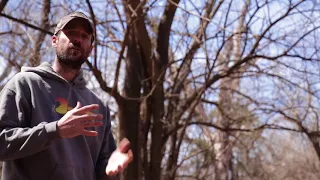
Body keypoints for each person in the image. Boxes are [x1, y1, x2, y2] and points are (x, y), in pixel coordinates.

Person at [0, 12, 133, 180]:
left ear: (90, 49)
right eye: (71, 33)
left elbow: (102, 170)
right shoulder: (25, 84)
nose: (77, 39)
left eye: (85, 36)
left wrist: (109, 170)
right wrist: (55, 130)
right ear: (54, 41)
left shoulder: (98, 107)